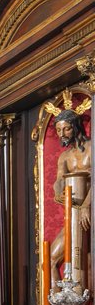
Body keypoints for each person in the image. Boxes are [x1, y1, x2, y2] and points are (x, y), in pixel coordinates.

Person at [51, 107, 91, 278]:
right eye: (58, 130)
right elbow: (59, 179)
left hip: (90, 207)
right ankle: (62, 303)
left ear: (75, 127)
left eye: (66, 128)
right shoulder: (65, 157)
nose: (62, 134)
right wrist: (58, 190)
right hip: (74, 212)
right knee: (50, 259)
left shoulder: (92, 147)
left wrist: (87, 206)